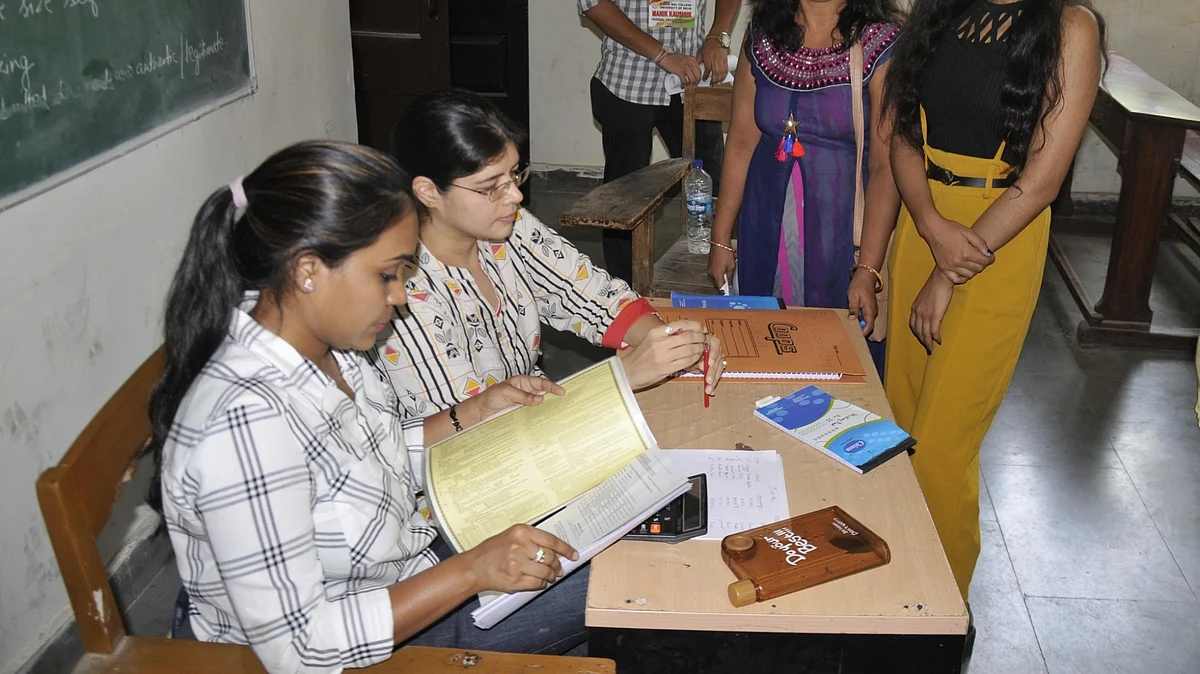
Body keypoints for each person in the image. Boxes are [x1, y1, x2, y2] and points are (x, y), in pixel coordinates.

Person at [148, 141, 593, 672]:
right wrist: (472, 571)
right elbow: (302, 649)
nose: (400, 295)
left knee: (590, 509)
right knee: (614, 575)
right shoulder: (244, 426)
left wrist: (474, 414)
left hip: (405, 566)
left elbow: (363, 457)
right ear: (308, 270)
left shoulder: (324, 342)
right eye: (388, 274)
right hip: (353, 642)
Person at [881, 0, 1105, 598]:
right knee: (899, 430)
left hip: (997, 240)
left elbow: (1043, 180)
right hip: (923, 226)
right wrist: (929, 224)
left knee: (942, 450)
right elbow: (903, 135)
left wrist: (946, 273)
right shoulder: (940, 11)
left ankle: (942, 610)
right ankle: (894, 592)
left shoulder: (1070, 26)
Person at [378, 89, 725, 467]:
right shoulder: (401, 295)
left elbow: (593, 295)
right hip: (479, 470)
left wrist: (672, 342)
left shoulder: (507, 228)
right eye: (491, 187)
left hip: (539, 425)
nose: (515, 196)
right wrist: (621, 377)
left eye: (515, 174)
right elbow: (478, 444)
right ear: (428, 191)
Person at [707, 0, 903, 377]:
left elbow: (884, 167)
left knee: (838, 360)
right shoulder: (763, 33)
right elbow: (742, 141)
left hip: (842, 237)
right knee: (764, 348)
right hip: (764, 227)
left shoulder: (880, 40)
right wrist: (721, 239)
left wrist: (868, 269)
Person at [579, 0, 738, 283]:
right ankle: (625, 291)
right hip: (629, 82)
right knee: (625, 199)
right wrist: (662, 55)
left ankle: (715, 279)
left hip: (693, 80)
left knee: (711, 186)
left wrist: (717, 36)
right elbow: (593, 4)